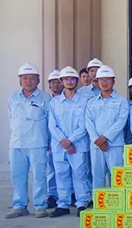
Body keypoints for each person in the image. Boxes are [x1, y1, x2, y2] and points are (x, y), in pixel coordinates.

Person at [5, 64, 51, 219]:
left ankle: (40, 206)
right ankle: (19, 206)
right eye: (25, 78)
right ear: (20, 80)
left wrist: (49, 141)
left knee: (39, 176)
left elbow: (50, 122)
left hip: (37, 143)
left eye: (32, 78)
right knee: (17, 176)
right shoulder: (13, 97)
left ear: (38, 80)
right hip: (17, 143)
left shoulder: (45, 98)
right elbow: (11, 119)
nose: (28, 81)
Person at [48, 66, 92, 217]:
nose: (69, 81)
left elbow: (84, 125)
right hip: (60, 146)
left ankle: (82, 203)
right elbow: (52, 125)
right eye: (66, 79)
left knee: (80, 174)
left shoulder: (85, 101)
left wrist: (70, 140)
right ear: (61, 81)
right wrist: (64, 141)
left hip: (78, 145)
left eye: (72, 78)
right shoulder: (54, 102)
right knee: (61, 175)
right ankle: (63, 204)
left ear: (77, 81)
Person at [85, 65, 129, 189]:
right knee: (97, 177)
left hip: (114, 145)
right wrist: (97, 139)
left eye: (108, 79)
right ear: (97, 81)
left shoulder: (121, 101)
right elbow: (88, 122)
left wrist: (105, 137)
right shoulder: (91, 102)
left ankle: (118, 200)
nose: (104, 83)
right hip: (96, 146)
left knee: (116, 177)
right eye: (101, 80)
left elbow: (121, 121)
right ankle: (98, 200)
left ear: (113, 81)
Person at [45, 69, 64, 207]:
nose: (55, 85)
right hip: (49, 140)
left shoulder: (68, 99)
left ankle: (69, 195)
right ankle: (52, 195)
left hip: (65, 141)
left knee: (67, 170)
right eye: (52, 82)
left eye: (58, 82)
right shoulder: (46, 100)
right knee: (51, 169)